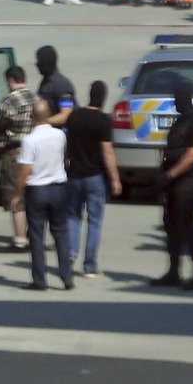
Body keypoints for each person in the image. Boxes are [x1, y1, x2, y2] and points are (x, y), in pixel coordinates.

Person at [151, 81, 193, 290]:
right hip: (175, 183)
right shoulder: (180, 121)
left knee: (188, 228)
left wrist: (171, 174)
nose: (176, 102)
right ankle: (174, 271)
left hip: (189, 181)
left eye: (178, 98)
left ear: (185, 99)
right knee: (171, 227)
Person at [11, 101, 74, 291]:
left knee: (37, 236)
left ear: (32, 117)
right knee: (61, 233)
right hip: (59, 187)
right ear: (48, 115)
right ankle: (67, 277)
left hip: (37, 189)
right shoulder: (60, 135)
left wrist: (17, 193)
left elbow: (25, 170)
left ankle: (39, 280)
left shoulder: (30, 140)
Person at [65, 80, 122, 277]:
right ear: (103, 98)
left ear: (89, 94)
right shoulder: (103, 121)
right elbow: (107, 152)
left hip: (73, 175)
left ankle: (71, 253)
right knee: (94, 221)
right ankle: (89, 265)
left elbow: (67, 146)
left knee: (72, 217)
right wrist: (115, 179)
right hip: (94, 176)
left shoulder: (74, 117)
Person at [0, 66, 36, 253]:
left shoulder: (9, 101)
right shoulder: (37, 99)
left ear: (10, 80)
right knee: (32, 197)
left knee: (15, 197)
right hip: (35, 153)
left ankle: (19, 239)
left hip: (14, 152)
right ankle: (35, 236)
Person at [35, 44, 76, 128]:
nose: (37, 65)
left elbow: (66, 114)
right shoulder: (45, 82)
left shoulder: (61, 84)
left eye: (40, 63)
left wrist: (42, 122)